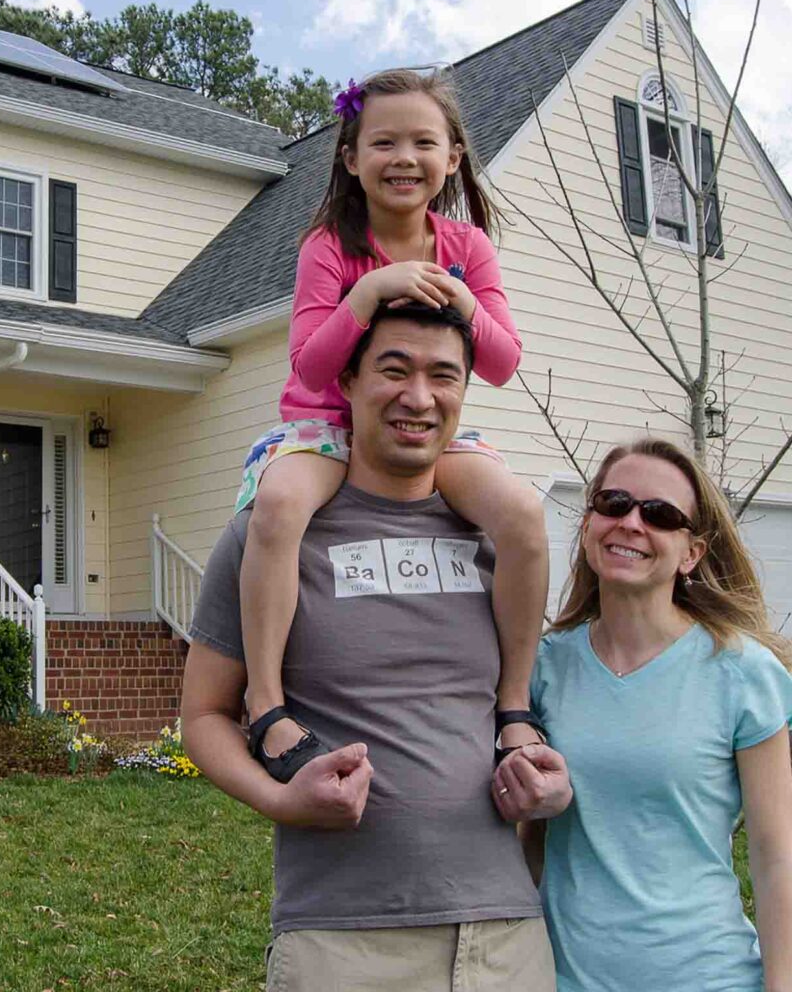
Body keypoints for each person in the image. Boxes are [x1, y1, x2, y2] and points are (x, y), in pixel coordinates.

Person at [183, 300, 572, 992]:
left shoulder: (498, 543)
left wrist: (547, 784)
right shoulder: (271, 536)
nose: (418, 397)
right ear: (350, 382)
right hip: (339, 943)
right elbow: (206, 716)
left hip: (503, 939)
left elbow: (529, 711)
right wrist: (282, 802)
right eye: (394, 370)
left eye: (443, 376)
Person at [236, 67, 549, 777]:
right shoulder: (328, 245)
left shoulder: (466, 248)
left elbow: (500, 364)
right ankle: (264, 701)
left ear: (453, 158)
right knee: (280, 505)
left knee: (524, 516)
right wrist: (369, 291)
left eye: (422, 142)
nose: (403, 158)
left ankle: (514, 704)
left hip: (425, 429)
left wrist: (465, 304)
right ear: (351, 158)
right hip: (328, 427)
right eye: (383, 142)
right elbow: (312, 370)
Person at [499, 438, 792, 991]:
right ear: (589, 524)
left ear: (691, 554)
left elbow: (777, 860)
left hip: (710, 977)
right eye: (614, 503)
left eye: (659, 514)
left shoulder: (742, 672)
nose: (631, 522)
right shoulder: (541, 666)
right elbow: (527, 843)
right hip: (565, 979)